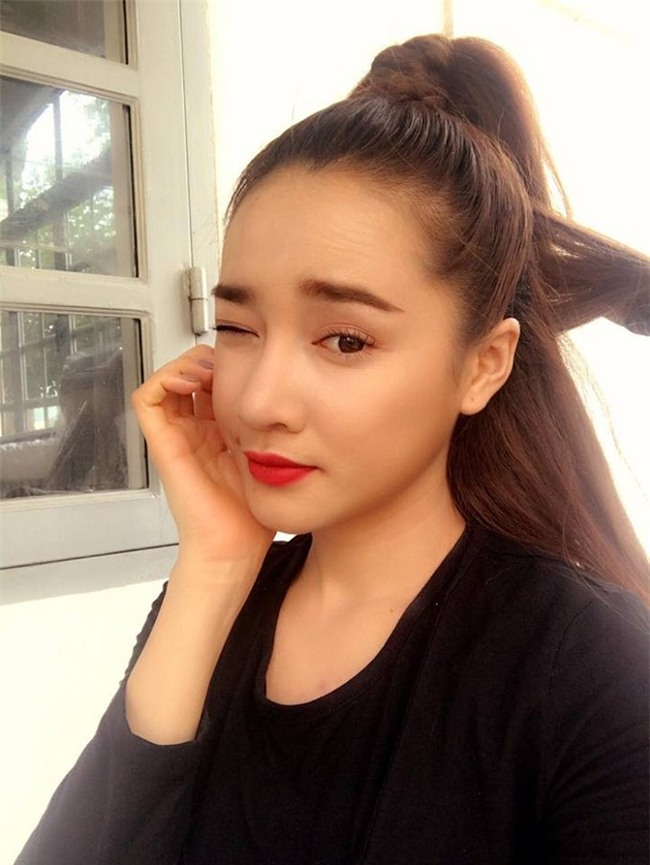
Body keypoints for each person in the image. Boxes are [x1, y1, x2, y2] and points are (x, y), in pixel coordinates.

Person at [15, 34, 649, 865]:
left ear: (482, 365)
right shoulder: (211, 609)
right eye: (237, 327)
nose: (258, 401)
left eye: (345, 339)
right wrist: (213, 568)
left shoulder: (592, 669)